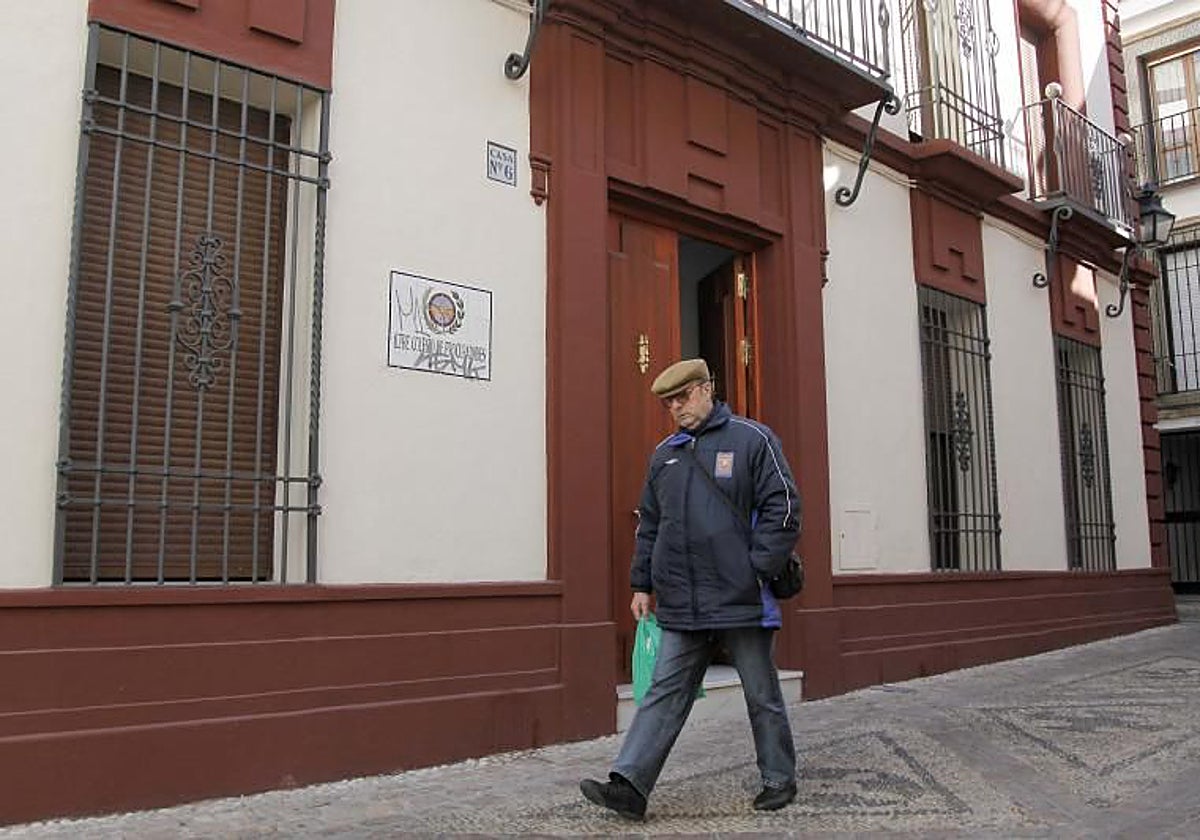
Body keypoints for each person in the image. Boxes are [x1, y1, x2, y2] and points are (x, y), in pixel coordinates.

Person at [580, 358, 801, 821]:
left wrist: (756, 569)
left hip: (740, 597)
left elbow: (783, 508)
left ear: (706, 390)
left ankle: (779, 778)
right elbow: (651, 525)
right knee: (664, 691)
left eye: (682, 397)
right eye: (668, 402)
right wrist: (641, 583)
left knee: (761, 693)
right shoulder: (665, 455)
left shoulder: (752, 439)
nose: (676, 407)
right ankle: (630, 786)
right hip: (682, 599)